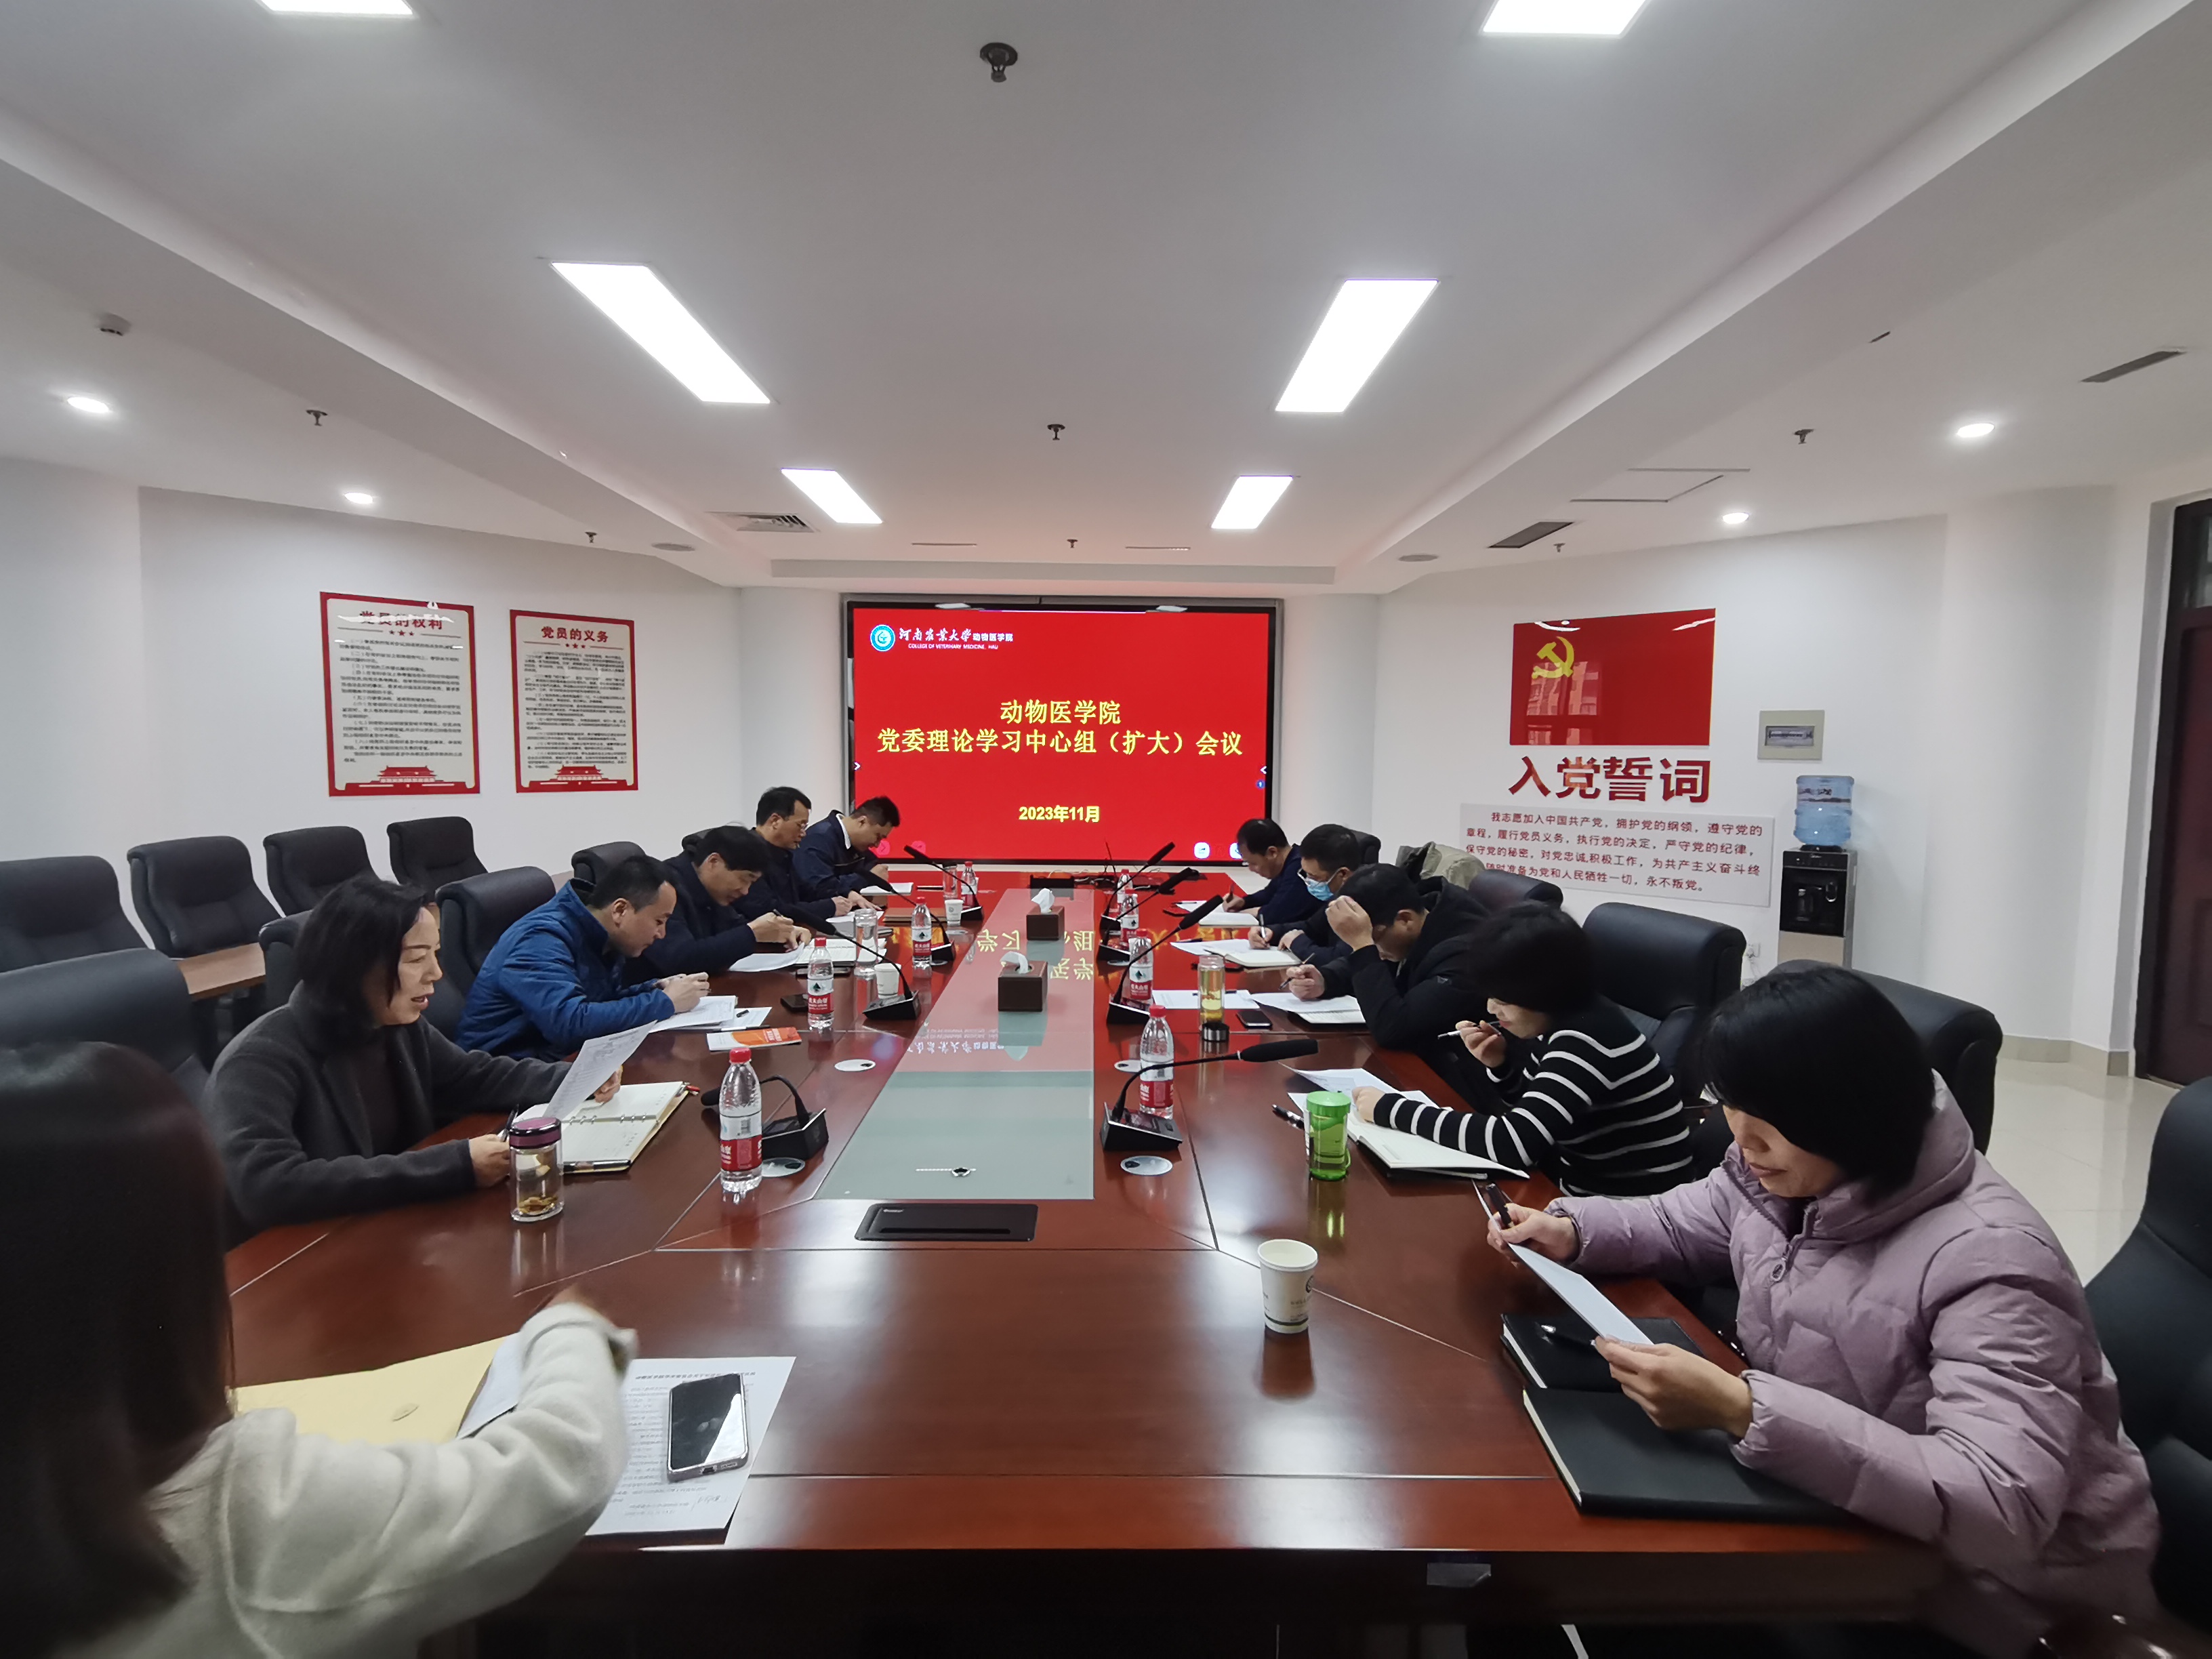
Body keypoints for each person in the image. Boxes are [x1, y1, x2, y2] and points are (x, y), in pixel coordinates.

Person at [1490, 966, 2160, 1656]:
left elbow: (2001, 1504)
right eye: (1731, 1109)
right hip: (1843, 1511)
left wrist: (1745, 1410)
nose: (1743, 1144)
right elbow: (1688, 1220)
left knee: (1608, 1593)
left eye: (1768, 1124)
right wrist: (1573, 1229)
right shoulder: (1790, 1170)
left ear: (1849, 1111)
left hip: (2000, 1600)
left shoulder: (1991, 1258)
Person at [0, 1042, 629, 1658]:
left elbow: (476, 1072)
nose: (432, 982)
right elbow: (554, 1475)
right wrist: (570, 1333)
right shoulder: (247, 1519)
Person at [208, 876, 617, 1232]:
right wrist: (456, 1165)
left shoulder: (393, 1024)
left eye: (435, 955)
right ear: (355, 965)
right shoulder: (259, 1060)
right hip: (301, 1257)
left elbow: (472, 1076)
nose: (436, 973)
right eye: (418, 958)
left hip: (387, 1224)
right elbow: (267, 1185)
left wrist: (579, 1076)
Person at [1353, 902, 1694, 1195]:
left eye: (1503, 1000)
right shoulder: (1563, 1017)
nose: (1491, 1008)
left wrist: (1393, 1109)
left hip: (1623, 1210)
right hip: (1575, 1187)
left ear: (1543, 991)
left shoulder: (1586, 1039)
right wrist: (1501, 1066)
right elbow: (1539, 1113)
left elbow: (1512, 1144)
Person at [457, 854, 707, 1059]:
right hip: (506, 1076)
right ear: (620, 910)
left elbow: (597, 1003)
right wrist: (664, 1002)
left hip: (558, 1061)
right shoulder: (541, 939)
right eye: (659, 921)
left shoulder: (601, 933)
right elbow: (569, 1024)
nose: (662, 934)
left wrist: (653, 989)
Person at [1284, 863, 1492, 1106]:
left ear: (1405, 919)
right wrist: (1325, 979)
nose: (1377, 952)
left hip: (1462, 1087)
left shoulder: (1466, 952)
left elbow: (1393, 1029)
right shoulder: (1418, 918)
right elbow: (1376, 961)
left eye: (1374, 940)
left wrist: (1363, 947)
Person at [630, 824, 811, 980]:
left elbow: (732, 927)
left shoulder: (710, 889)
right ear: (714, 862)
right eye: (744, 879)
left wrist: (778, 931)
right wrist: (752, 933)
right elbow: (678, 959)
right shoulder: (666, 889)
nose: (745, 891)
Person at [740, 785, 867, 930]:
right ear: (775, 821)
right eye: (800, 826)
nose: (804, 833)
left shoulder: (783, 853)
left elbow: (807, 890)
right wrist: (828, 907)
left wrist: (846, 894)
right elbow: (769, 911)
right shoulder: (745, 855)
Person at [1260, 823, 1366, 968]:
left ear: (1343, 874)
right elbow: (1312, 927)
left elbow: (1341, 959)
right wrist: (1272, 932)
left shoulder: (1361, 902)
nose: (1309, 882)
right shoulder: (1339, 894)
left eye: (1314, 877)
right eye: (1306, 874)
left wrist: (1297, 943)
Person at [794, 795, 902, 899]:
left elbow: (873, 865)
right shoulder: (819, 839)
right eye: (878, 837)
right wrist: (868, 878)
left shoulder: (858, 845)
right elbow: (821, 887)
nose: (877, 844)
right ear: (862, 822)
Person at [1222, 817, 1308, 928]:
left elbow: (1275, 915)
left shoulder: (1299, 867)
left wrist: (1243, 913)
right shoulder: (1289, 862)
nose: (1251, 869)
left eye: (1253, 863)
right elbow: (1269, 894)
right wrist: (1244, 902)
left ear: (1272, 852)